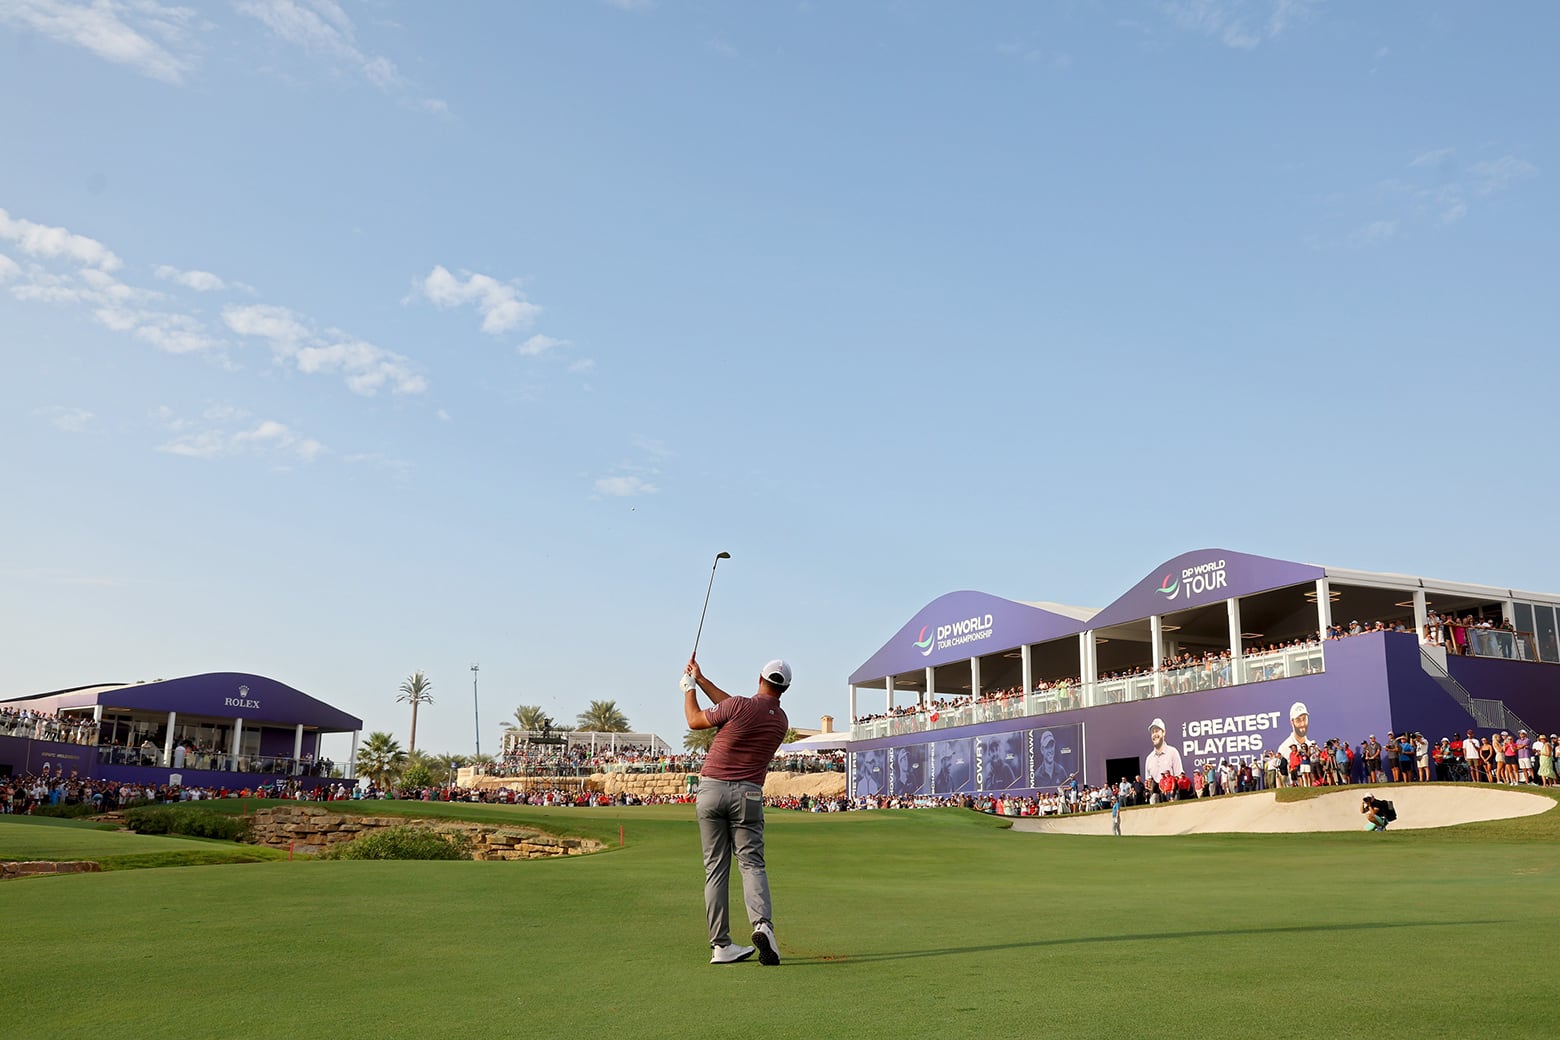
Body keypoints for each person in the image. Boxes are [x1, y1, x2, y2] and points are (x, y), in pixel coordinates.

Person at [684, 656, 791, 966]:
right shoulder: (780, 721)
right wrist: (701, 679)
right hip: (749, 795)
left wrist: (689, 688)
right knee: (752, 864)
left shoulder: (739, 706)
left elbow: (695, 720)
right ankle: (762, 925)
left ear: (759, 678)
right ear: (785, 689)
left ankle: (721, 945)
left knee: (715, 870)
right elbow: (734, 707)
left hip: (711, 791)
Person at [1145, 718, 1183, 782]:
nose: (1154, 734)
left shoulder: (1173, 752)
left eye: (1156, 731)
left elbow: (1179, 777)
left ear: (1163, 732)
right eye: (1152, 732)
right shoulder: (1149, 759)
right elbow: (1148, 782)